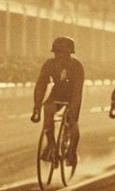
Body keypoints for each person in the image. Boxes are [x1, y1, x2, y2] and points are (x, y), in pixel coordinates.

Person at [31, 36, 84, 167]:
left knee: (72, 123)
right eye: (56, 53)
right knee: (48, 112)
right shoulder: (49, 64)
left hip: (72, 96)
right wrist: (37, 106)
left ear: (70, 54)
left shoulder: (77, 66)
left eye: (63, 54)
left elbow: (77, 90)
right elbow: (41, 85)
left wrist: (72, 108)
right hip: (57, 94)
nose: (59, 56)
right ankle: (51, 146)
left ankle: (71, 151)